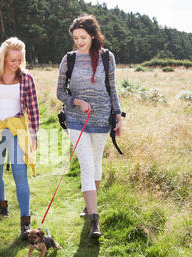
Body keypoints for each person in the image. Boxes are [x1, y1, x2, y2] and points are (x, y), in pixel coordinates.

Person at [56, 15, 123, 238]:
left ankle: (89, 205)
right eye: (75, 38)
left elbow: (112, 89)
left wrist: (117, 116)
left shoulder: (107, 57)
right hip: (76, 120)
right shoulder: (69, 59)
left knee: (95, 163)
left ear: (93, 36)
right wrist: (77, 102)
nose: (79, 42)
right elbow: (60, 93)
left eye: (83, 37)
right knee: (86, 164)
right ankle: (95, 220)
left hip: (102, 119)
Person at [0, 37, 39, 240]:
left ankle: (25, 223)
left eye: (20, 59)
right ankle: (2, 204)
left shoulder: (26, 78)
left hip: (17, 128)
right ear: (3, 58)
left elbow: (33, 108)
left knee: (21, 173)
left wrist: (34, 134)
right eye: (12, 59)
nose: (16, 63)